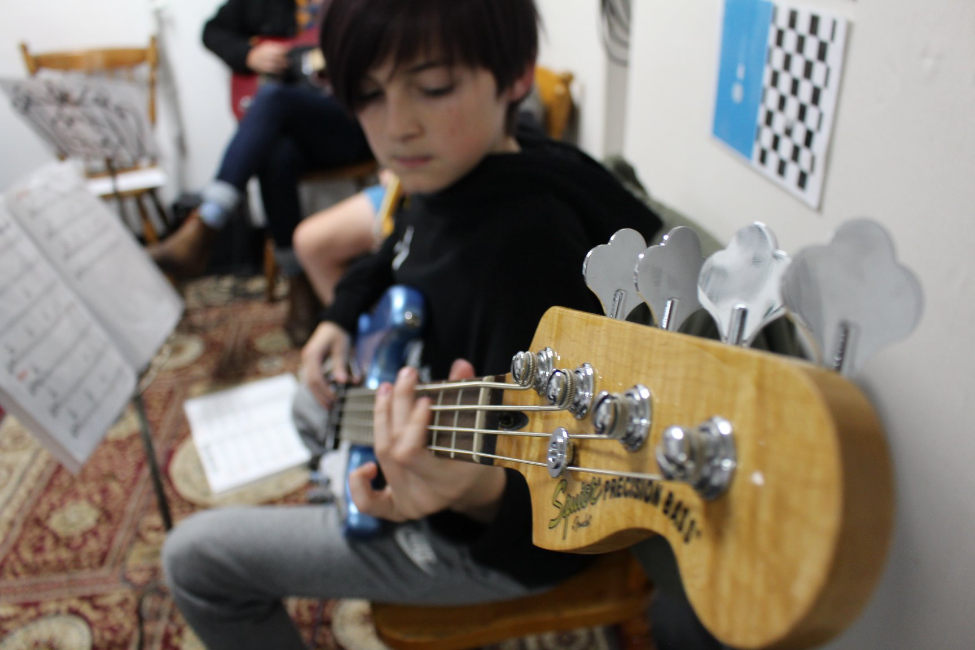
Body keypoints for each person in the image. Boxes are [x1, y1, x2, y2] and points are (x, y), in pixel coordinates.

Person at [161, 1, 662, 648]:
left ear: (515, 76)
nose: (397, 127)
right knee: (308, 406)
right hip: (427, 420)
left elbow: (577, 492)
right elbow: (395, 245)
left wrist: (475, 494)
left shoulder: (525, 253)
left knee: (196, 561)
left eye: (434, 87)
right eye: (369, 95)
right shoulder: (453, 171)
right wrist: (337, 318)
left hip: (495, 545)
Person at [148, 0, 374, 286]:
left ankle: (207, 222)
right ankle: (298, 281)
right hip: (299, 137)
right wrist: (249, 54)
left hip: (351, 124)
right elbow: (212, 32)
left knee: (272, 98)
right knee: (276, 153)